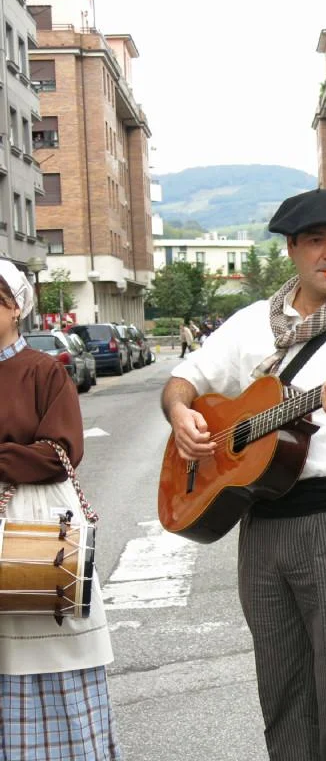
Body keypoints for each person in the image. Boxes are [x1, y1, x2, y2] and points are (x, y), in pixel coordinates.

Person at [160, 189, 326, 761]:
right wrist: (180, 413)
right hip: (260, 524)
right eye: (317, 242)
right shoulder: (252, 322)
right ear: (292, 249)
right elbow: (185, 378)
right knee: (282, 704)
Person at [0, 259, 121, 760]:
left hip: (31, 516)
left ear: (16, 309)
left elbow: (60, 452)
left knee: (43, 630)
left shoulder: (42, 370)